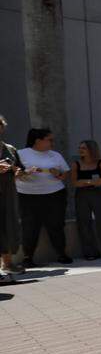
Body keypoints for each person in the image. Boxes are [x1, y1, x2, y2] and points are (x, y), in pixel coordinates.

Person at [16, 128, 72, 266]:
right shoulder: (20, 154)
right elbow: (13, 173)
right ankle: (28, 257)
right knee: (29, 226)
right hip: (27, 196)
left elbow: (65, 174)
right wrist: (25, 173)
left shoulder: (55, 155)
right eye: (50, 139)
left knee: (56, 225)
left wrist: (58, 174)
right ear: (38, 141)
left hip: (55, 195)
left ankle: (61, 254)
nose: (53, 142)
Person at [0, 115, 24, 276]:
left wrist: (17, 171)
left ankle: (7, 264)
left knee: (8, 226)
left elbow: (20, 170)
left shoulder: (10, 149)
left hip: (8, 193)